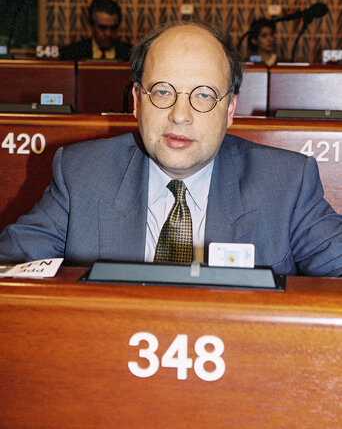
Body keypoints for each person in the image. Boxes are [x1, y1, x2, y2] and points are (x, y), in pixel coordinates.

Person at [0, 21, 342, 276]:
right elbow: (10, 271)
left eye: (204, 95)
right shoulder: (81, 174)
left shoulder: (285, 184)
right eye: (163, 92)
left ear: (230, 110)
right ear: (136, 101)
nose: (180, 115)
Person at [60, 0, 131, 61]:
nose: (108, 33)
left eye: (113, 28)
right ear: (91, 26)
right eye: (102, 28)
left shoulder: (131, 55)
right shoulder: (72, 54)